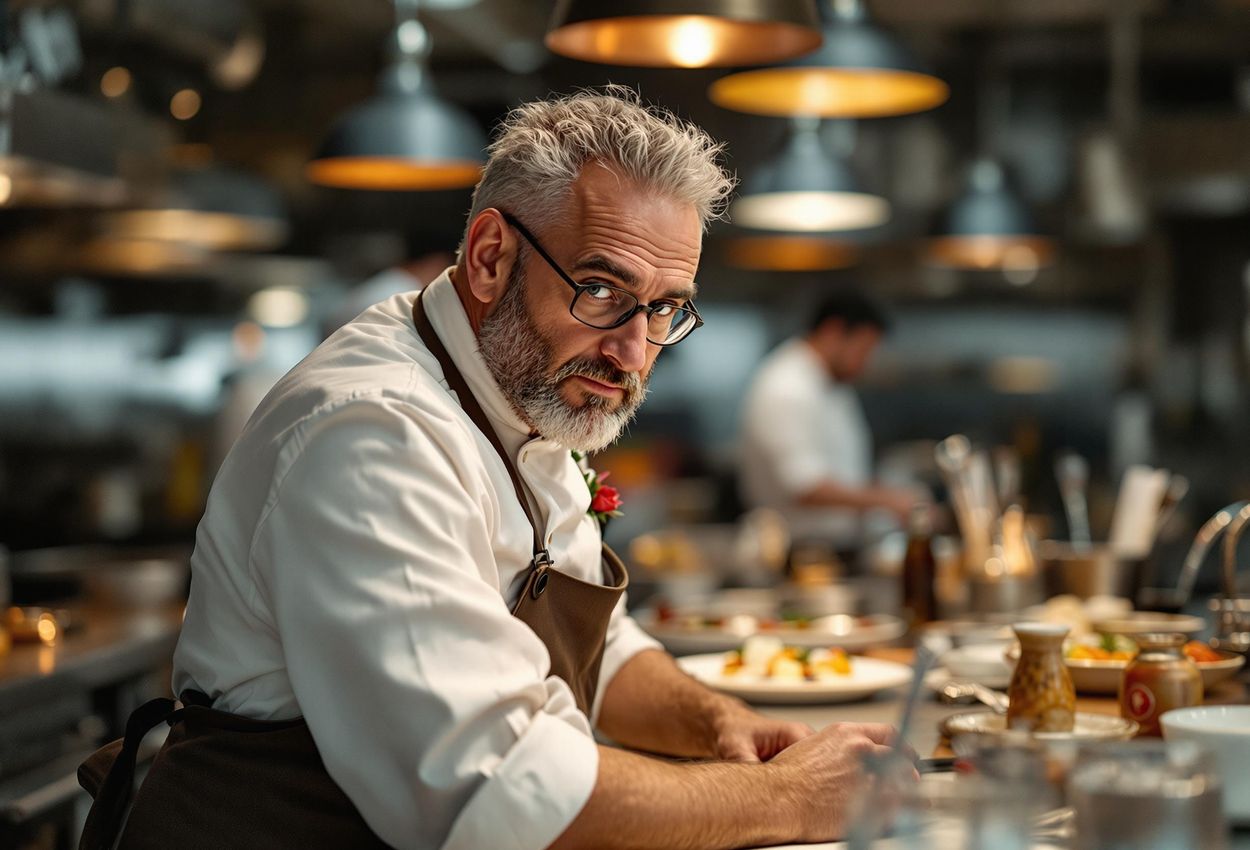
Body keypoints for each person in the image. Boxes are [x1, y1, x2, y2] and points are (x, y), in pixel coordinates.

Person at [78, 87, 897, 850]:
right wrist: (787, 799)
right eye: (603, 292)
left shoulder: (521, 396)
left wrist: (717, 722)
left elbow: (599, 652)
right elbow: (501, 787)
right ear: (490, 257)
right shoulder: (373, 433)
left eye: (662, 309)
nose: (631, 351)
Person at [739, 292, 918, 553]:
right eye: (862, 350)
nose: (864, 364)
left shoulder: (832, 385)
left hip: (836, 547)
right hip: (797, 553)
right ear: (833, 331)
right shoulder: (786, 387)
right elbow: (806, 487)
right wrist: (888, 500)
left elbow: (844, 473)